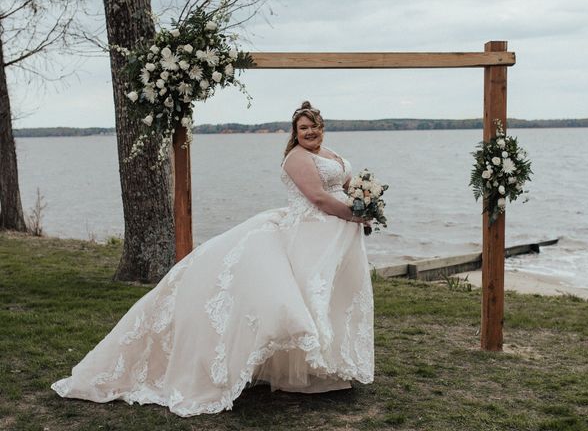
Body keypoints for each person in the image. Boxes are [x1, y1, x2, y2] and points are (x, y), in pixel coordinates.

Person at [51, 100, 375, 417]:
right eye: (303, 127)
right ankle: (301, 368)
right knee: (301, 299)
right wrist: (354, 215)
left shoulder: (330, 154)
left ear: (322, 127)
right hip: (306, 233)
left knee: (331, 298)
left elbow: (346, 184)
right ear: (295, 132)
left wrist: (365, 202)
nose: (310, 132)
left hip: (333, 238)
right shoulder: (297, 158)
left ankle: (322, 367)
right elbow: (317, 197)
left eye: (314, 126)